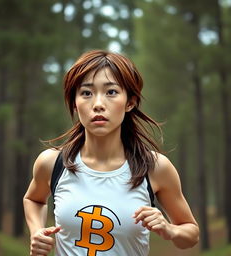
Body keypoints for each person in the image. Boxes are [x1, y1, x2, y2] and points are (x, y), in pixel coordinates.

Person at [23, 49, 199, 256]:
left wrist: (169, 230)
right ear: (74, 103)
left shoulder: (155, 167)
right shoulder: (53, 163)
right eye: (86, 93)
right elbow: (33, 199)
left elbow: (191, 235)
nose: (98, 104)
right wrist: (37, 231)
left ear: (130, 102)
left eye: (111, 92)